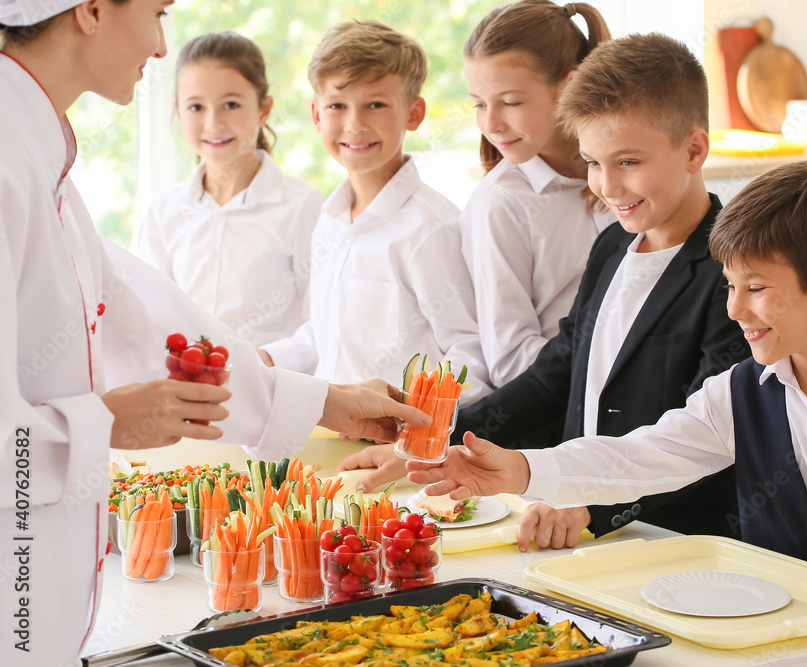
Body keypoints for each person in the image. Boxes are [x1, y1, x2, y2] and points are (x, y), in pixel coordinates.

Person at [409, 157, 807, 647]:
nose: (735, 310)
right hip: (772, 647)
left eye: (757, 289)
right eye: (730, 287)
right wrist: (521, 468)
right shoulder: (736, 392)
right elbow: (638, 458)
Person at [0, 3, 428, 665]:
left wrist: (323, 400)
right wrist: (106, 422)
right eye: (157, 10)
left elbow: (143, 315)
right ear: (89, 10)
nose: (161, 41)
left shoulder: (33, 149)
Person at [339, 33, 749, 553]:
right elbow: (556, 374)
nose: (607, 187)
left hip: (681, 541)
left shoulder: (734, 271)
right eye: (594, 163)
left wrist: (589, 503)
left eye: (628, 162)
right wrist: (436, 441)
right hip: (582, 535)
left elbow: (701, 435)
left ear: (693, 150)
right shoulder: (611, 247)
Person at [259, 19, 490, 401]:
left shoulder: (431, 229)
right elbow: (329, 334)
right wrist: (265, 357)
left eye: (376, 105)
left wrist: (406, 416)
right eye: (337, 105)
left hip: (393, 448)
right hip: (326, 435)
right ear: (317, 115)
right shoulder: (329, 219)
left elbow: (470, 359)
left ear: (413, 114)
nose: (354, 124)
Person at [460, 0, 616, 387]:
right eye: (479, 104)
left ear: (572, 84)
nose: (491, 124)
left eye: (511, 102)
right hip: (558, 416)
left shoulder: (630, 176)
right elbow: (510, 362)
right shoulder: (501, 204)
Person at [138, 31, 324, 347]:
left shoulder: (303, 208)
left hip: (274, 389)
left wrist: (262, 366)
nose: (213, 123)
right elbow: (151, 314)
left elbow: (320, 326)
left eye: (231, 104)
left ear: (264, 110)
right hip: (186, 384)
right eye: (196, 107)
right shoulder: (165, 211)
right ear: (178, 112)